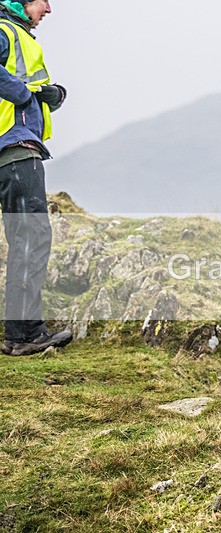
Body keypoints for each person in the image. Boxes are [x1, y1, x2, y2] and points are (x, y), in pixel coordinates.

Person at [0, 0, 72, 356]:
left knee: (25, 237)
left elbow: (27, 85)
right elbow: (18, 88)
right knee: (32, 236)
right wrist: (25, 94)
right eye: (44, 0)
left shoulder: (18, 34)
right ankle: (24, 335)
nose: (49, 8)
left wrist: (50, 96)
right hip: (13, 149)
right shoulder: (5, 29)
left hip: (17, 146)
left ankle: (22, 332)